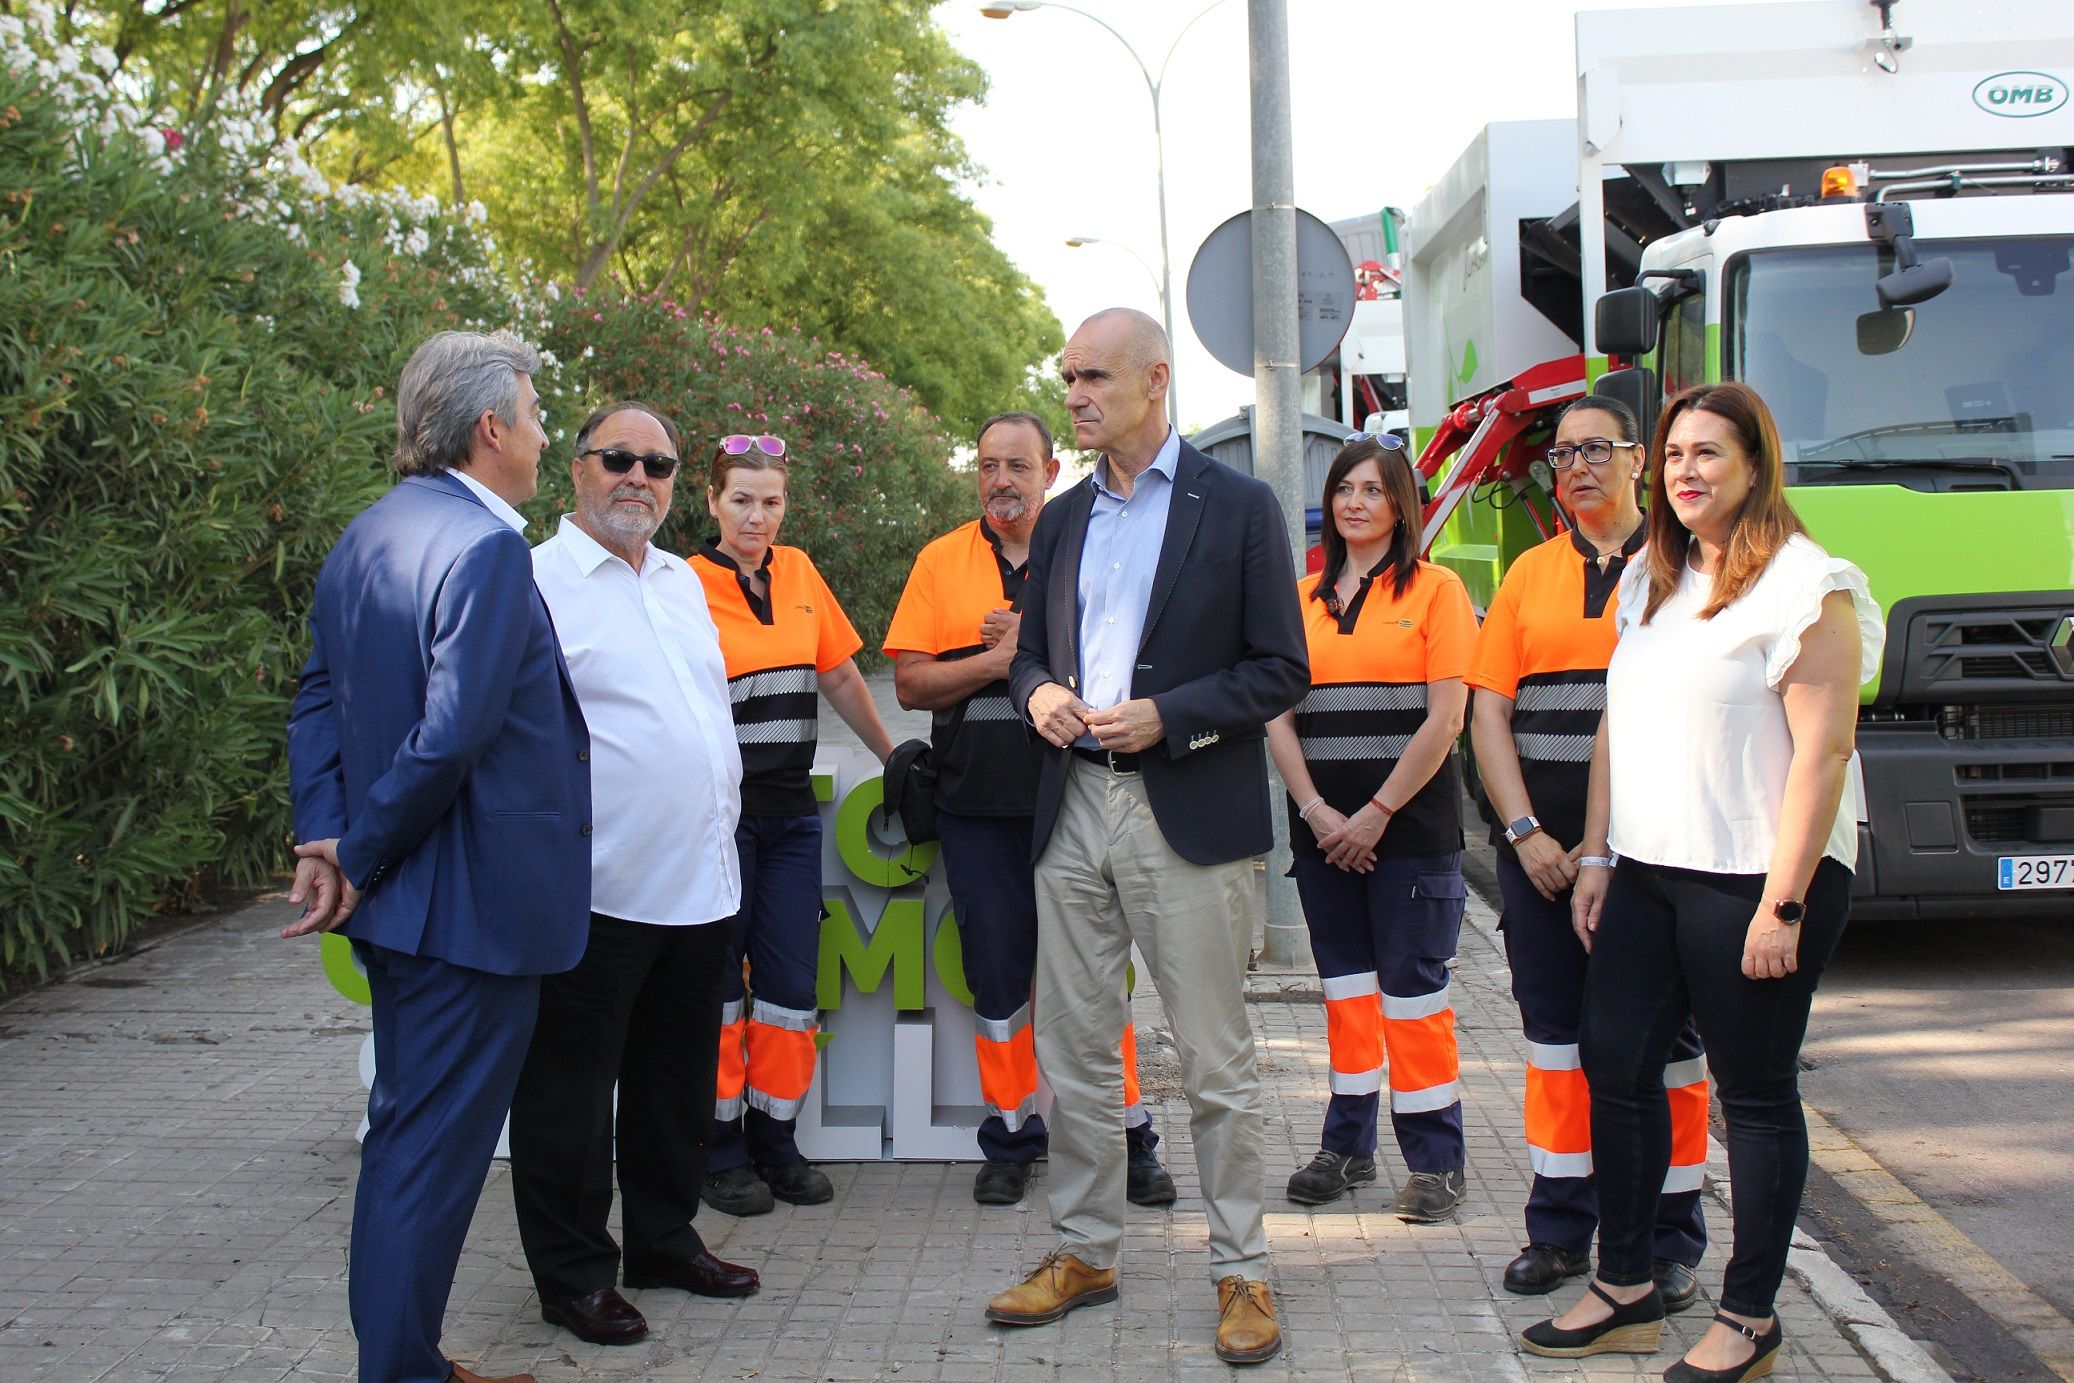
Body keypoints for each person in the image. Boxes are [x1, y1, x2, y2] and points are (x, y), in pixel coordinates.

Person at [1522, 382, 1882, 1382]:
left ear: (1755, 465)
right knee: (1615, 1065)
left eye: (1707, 455)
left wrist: (1784, 903)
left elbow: (1821, 757)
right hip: (1649, 870)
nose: (1684, 472)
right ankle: (1626, 1287)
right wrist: (1597, 852)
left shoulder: (1811, 587)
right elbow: (1616, 727)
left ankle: (1750, 1318)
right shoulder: (1652, 580)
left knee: (1754, 1098)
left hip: (1752, 881)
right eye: (1674, 455)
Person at [986, 308, 1308, 1366]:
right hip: (1072, 802)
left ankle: (1241, 1272)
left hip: (1183, 807)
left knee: (1213, 1060)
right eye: (1066, 376)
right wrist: (1037, 699)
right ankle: (1084, 1252)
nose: (1072, 394)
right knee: (1073, 1050)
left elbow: (1279, 669)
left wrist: (1173, 716)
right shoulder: (1066, 514)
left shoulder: (1242, 507)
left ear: (1154, 381)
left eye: (1091, 377)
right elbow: (1030, 656)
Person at [284, 330, 589, 1383]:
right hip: (470, 913)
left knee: (407, 1145)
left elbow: (317, 696)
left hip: (410, 908)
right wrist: (354, 849)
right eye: (537, 414)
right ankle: (402, 1369)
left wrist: (322, 834)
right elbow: (454, 734)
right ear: (491, 428)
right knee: (428, 1157)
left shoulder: (368, 531)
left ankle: (405, 1356)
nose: (548, 438)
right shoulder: (486, 546)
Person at [509, 402, 760, 1348]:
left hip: (699, 881)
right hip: (593, 890)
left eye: (658, 465)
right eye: (619, 458)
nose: (639, 478)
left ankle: (662, 1238)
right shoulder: (531, 580)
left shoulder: (683, 583)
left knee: (674, 1086)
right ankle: (573, 1274)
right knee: (569, 1096)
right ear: (577, 467)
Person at [882, 410, 1174, 1208]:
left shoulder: (1088, 544)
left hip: (1076, 796)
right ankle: (1012, 1135)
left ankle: (1128, 1134)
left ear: (1050, 468)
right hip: (976, 809)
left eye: (1017, 464)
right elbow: (909, 683)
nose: (1001, 480)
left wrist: (1042, 643)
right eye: (987, 465)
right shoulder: (941, 560)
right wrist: (997, 661)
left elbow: (1129, 665)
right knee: (999, 981)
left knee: (1096, 981)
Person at [1466, 397, 1709, 1305]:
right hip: (1538, 862)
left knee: (1666, 1047)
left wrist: (1607, 847)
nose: (1577, 466)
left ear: (1640, 459)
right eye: (1563, 454)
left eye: (1597, 448)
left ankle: (1672, 1236)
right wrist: (1526, 833)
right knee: (1555, 1044)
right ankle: (1561, 1229)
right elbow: (1488, 710)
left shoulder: (1686, 566)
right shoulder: (1527, 573)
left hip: (1652, 858)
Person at [1262, 434, 1476, 1223]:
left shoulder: (1438, 590)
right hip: (1323, 837)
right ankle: (1347, 1147)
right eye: (1344, 488)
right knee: (1348, 998)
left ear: (1401, 506)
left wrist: (1375, 814)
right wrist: (1319, 813)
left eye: (1373, 490)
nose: (1355, 502)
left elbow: (1446, 716)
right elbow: (1275, 715)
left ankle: (1435, 1161)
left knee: (1414, 999)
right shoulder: (1298, 597)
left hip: (1410, 836)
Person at [692, 432, 895, 1217]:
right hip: (717, 819)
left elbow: (839, 671)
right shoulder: (681, 582)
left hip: (791, 818)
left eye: (770, 501)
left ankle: (776, 1139)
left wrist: (893, 754)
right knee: (716, 991)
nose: (756, 516)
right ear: (712, 502)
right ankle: (719, 1147)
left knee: (787, 988)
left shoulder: (801, 572)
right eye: (741, 499)